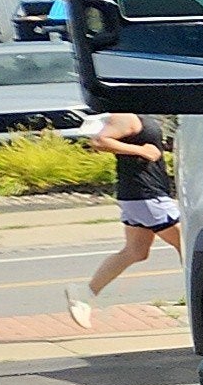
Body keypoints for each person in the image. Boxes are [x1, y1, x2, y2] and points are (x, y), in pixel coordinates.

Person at [71, 109, 178, 329]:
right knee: (188, 245)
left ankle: (83, 294)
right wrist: (141, 150)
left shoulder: (142, 116)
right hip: (146, 194)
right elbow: (100, 141)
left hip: (141, 195)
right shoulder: (126, 116)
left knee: (135, 251)